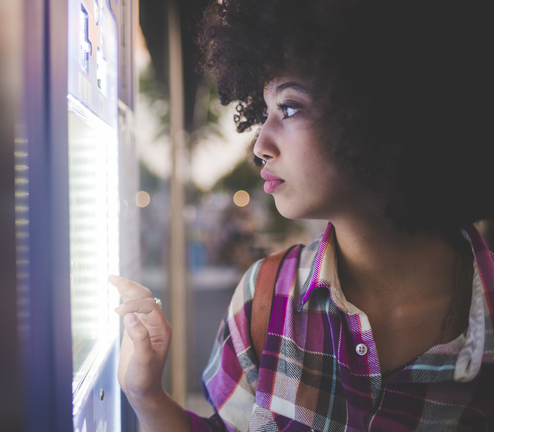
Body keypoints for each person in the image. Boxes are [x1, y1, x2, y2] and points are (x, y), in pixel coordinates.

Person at [109, 0, 493, 430]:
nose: (260, 145)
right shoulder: (264, 297)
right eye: (264, 111)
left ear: (378, 106)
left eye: (289, 108)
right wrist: (146, 395)